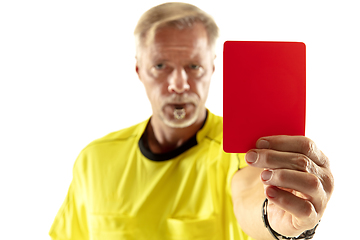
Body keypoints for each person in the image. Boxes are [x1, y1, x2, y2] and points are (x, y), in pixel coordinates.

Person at [49, 2, 334, 240]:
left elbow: (249, 193)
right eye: (160, 66)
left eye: (193, 66)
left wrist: (277, 220)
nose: (179, 83)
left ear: (211, 69)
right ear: (139, 70)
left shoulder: (241, 150)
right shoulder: (94, 159)